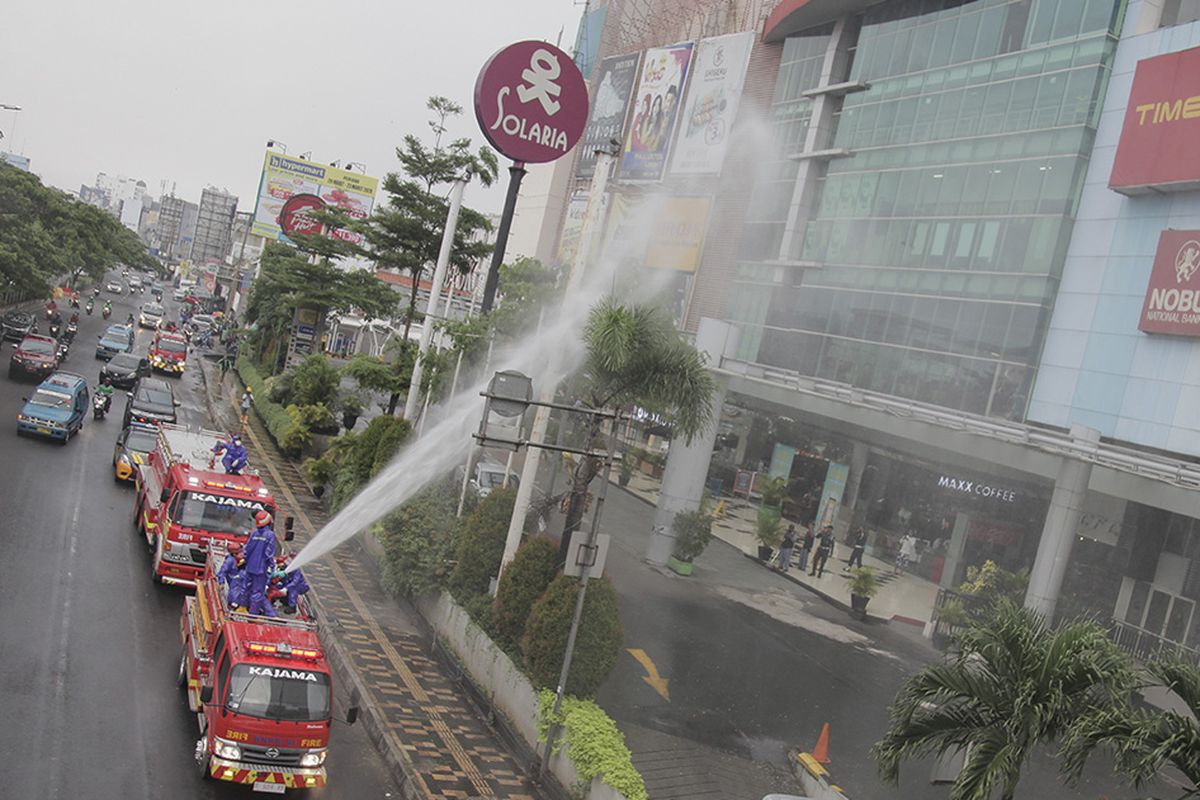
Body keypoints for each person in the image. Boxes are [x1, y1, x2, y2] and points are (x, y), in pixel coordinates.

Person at [242, 510, 277, 617]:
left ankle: (242, 607)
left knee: (246, 588)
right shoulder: (270, 535)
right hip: (260, 569)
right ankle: (253, 614)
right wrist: (272, 566)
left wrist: (246, 561)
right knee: (257, 592)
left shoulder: (254, 533)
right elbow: (268, 553)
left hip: (250, 567)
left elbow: (247, 550)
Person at [216, 542, 248, 607]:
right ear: (234, 554)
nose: (242, 554)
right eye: (240, 553)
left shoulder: (242, 556)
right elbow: (222, 572)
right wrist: (221, 582)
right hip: (234, 581)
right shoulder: (229, 561)